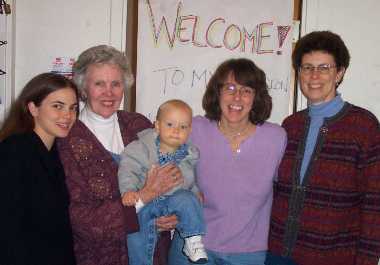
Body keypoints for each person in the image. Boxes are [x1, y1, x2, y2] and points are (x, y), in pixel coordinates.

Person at [57, 45, 181, 265]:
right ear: (83, 88)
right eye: (99, 84)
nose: (109, 92)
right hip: (100, 257)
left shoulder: (139, 125)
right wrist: (144, 196)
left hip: (152, 254)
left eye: (116, 83)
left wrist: (169, 216)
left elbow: (170, 177)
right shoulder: (67, 140)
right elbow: (80, 220)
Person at [267, 31, 380, 265]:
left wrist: (367, 259)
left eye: (324, 68)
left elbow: (375, 200)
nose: (314, 75)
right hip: (277, 253)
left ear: (339, 73)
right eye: (307, 67)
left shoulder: (364, 126)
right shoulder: (290, 126)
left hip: (333, 257)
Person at [169, 58, 287, 265]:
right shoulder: (193, 129)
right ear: (218, 92)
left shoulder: (275, 138)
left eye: (247, 90)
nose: (237, 97)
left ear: (256, 97)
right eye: (230, 87)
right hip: (191, 247)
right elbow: (160, 165)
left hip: (247, 253)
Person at [0, 73, 79, 265]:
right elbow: (8, 230)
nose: (67, 115)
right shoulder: (14, 151)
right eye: (57, 106)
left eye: (73, 108)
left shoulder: (54, 151)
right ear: (33, 108)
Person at [118, 99, 207, 265]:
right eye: (170, 124)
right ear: (157, 126)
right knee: (137, 232)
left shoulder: (189, 155)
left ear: (189, 131)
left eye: (183, 127)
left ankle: (193, 240)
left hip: (173, 200)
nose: (176, 131)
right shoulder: (141, 148)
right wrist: (128, 191)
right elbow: (128, 170)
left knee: (189, 200)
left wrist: (195, 192)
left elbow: (190, 180)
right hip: (146, 202)